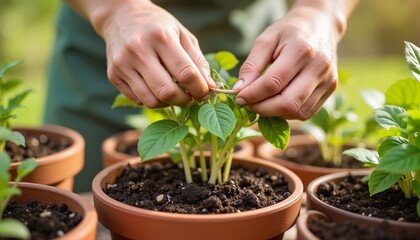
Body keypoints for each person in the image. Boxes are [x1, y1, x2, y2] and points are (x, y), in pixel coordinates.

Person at [45, 0, 359, 192]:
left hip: (260, 45)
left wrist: (323, 12)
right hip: (103, 49)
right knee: (84, 191)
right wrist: (113, 10)